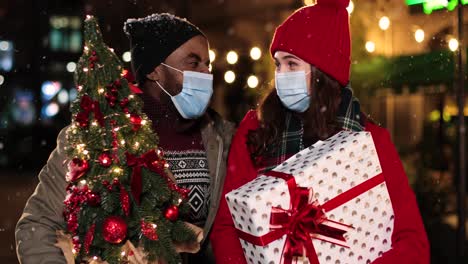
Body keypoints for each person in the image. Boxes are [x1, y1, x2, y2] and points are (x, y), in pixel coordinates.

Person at [210, 1, 430, 263]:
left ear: (323, 72)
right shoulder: (257, 130)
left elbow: (412, 241)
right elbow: (227, 227)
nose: (281, 75)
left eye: (292, 64)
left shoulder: (369, 141)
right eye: (278, 65)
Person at [16, 13, 234, 264]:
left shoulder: (221, 138)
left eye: (208, 63)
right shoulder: (95, 139)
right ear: (154, 70)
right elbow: (37, 226)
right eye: (193, 63)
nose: (206, 72)